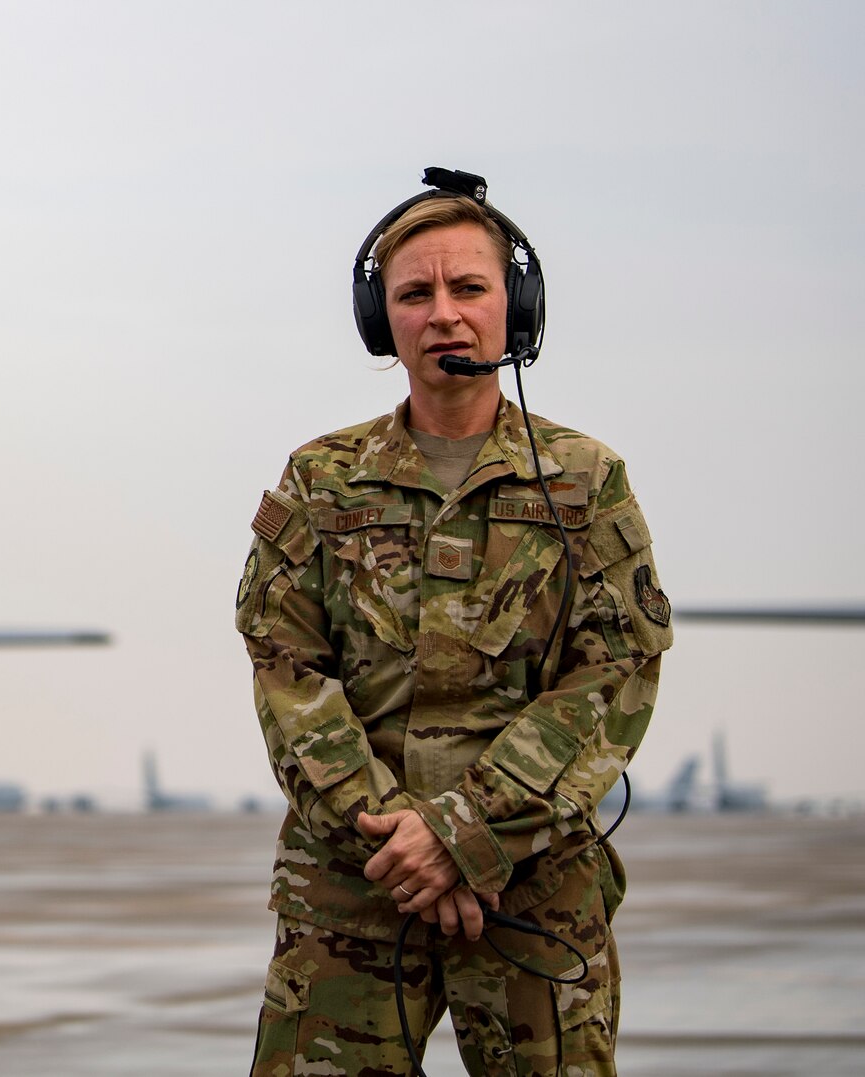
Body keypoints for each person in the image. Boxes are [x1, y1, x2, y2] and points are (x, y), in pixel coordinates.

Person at [236, 174, 671, 1076]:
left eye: (468, 287)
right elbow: (286, 667)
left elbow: (616, 671)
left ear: (515, 306)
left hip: (533, 888)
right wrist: (400, 839)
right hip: (354, 891)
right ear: (379, 320)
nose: (445, 314)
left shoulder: (586, 480)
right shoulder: (320, 480)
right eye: (414, 293)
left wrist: (466, 833)